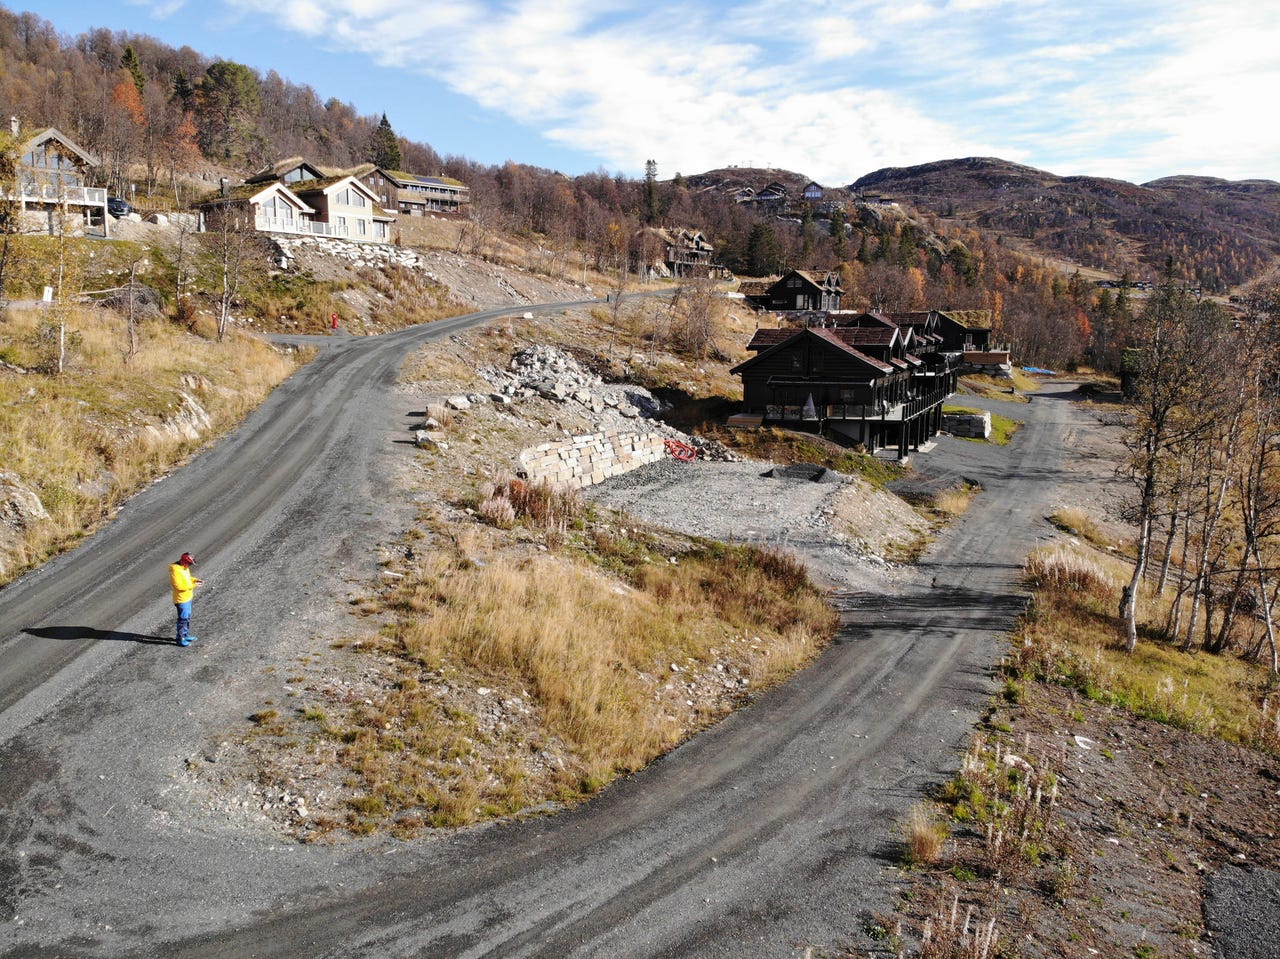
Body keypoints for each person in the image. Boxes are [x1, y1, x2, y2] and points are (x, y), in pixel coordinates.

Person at [169, 552, 203, 647]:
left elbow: (187, 578)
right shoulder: (175, 570)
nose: (190, 566)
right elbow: (179, 586)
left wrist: (194, 580)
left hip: (187, 597)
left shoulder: (184, 568)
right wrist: (194, 585)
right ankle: (180, 639)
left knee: (187, 617)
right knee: (183, 619)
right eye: (190, 563)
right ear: (184, 561)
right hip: (181, 599)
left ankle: (185, 635)